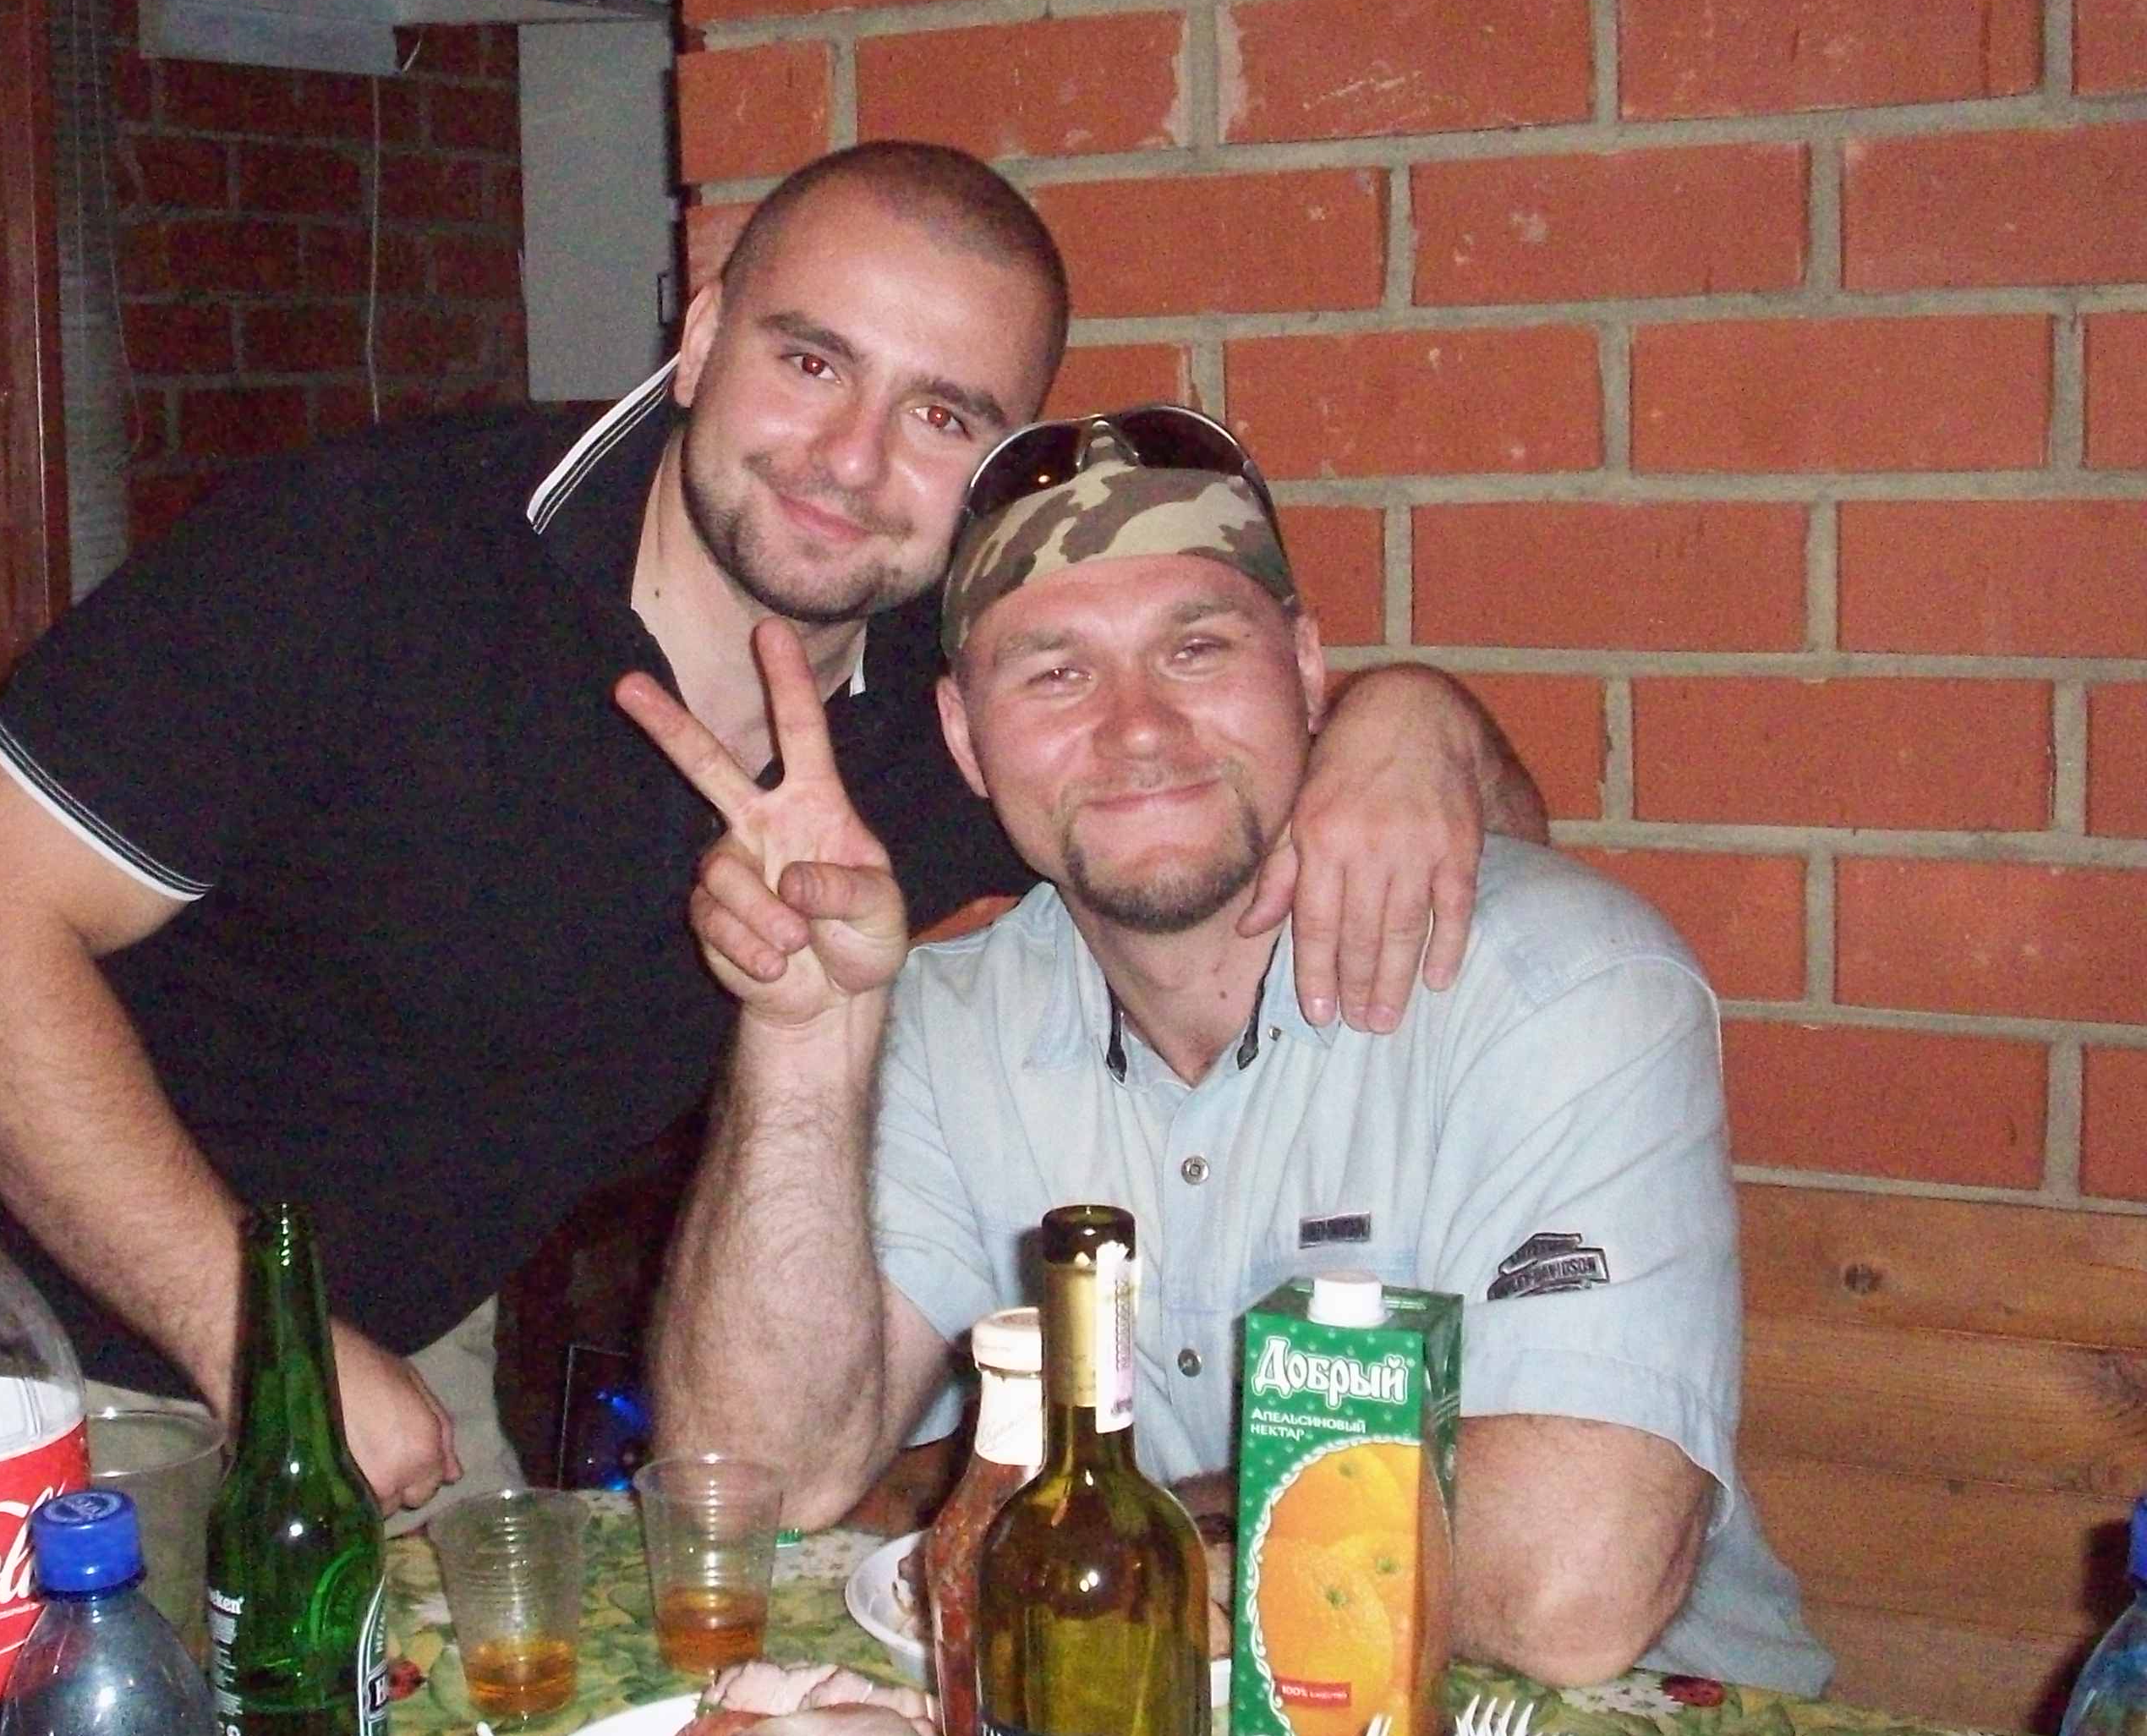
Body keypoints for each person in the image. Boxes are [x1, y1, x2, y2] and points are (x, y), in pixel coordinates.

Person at [0, 144, 1540, 1694]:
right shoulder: (363, 557)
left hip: (372, 1327)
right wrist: (259, 1347)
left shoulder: (956, 711)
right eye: (809, 361)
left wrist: (1408, 721)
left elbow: (1304, 793)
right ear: (701, 335)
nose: (848, 459)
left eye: (940, 415)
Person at [624, 408, 1830, 1692]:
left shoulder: (1563, 985)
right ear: (967, 739)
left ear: (1306, 671)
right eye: (1054, 673)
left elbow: (1564, 1594)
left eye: (1196, 649)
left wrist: (1095, 1530)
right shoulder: (950, 1018)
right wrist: (806, 1036)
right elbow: (759, 1481)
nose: (1138, 728)